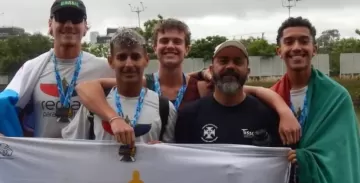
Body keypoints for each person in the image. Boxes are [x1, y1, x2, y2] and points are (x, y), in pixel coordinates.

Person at [74, 20, 300, 147]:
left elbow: (248, 88)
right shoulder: (142, 82)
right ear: (154, 50)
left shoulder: (201, 86)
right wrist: (113, 118)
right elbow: (86, 87)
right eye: (164, 41)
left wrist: (284, 111)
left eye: (177, 41)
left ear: (187, 49)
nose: (170, 46)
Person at [272, 17, 360, 183]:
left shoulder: (337, 97)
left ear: (314, 49)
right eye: (289, 42)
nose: (296, 47)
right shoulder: (273, 96)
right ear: (280, 51)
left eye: (304, 41)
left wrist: (307, 157)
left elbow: (344, 155)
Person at [0, 0, 114, 138]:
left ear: (85, 27)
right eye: (61, 18)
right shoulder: (32, 68)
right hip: (42, 157)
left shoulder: (105, 68)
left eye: (76, 19)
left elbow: (137, 93)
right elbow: (4, 103)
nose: (69, 25)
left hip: (88, 157)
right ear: (50, 25)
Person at [62, 28, 176, 144]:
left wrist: (163, 150)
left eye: (135, 57)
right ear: (111, 61)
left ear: (146, 60)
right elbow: (71, 148)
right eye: (121, 57)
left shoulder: (165, 108)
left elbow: (173, 154)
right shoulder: (93, 105)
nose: (129, 64)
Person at [175, 40, 282, 147]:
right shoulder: (188, 116)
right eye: (223, 61)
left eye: (238, 61)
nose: (230, 66)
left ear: (248, 71)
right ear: (211, 70)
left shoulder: (267, 116)